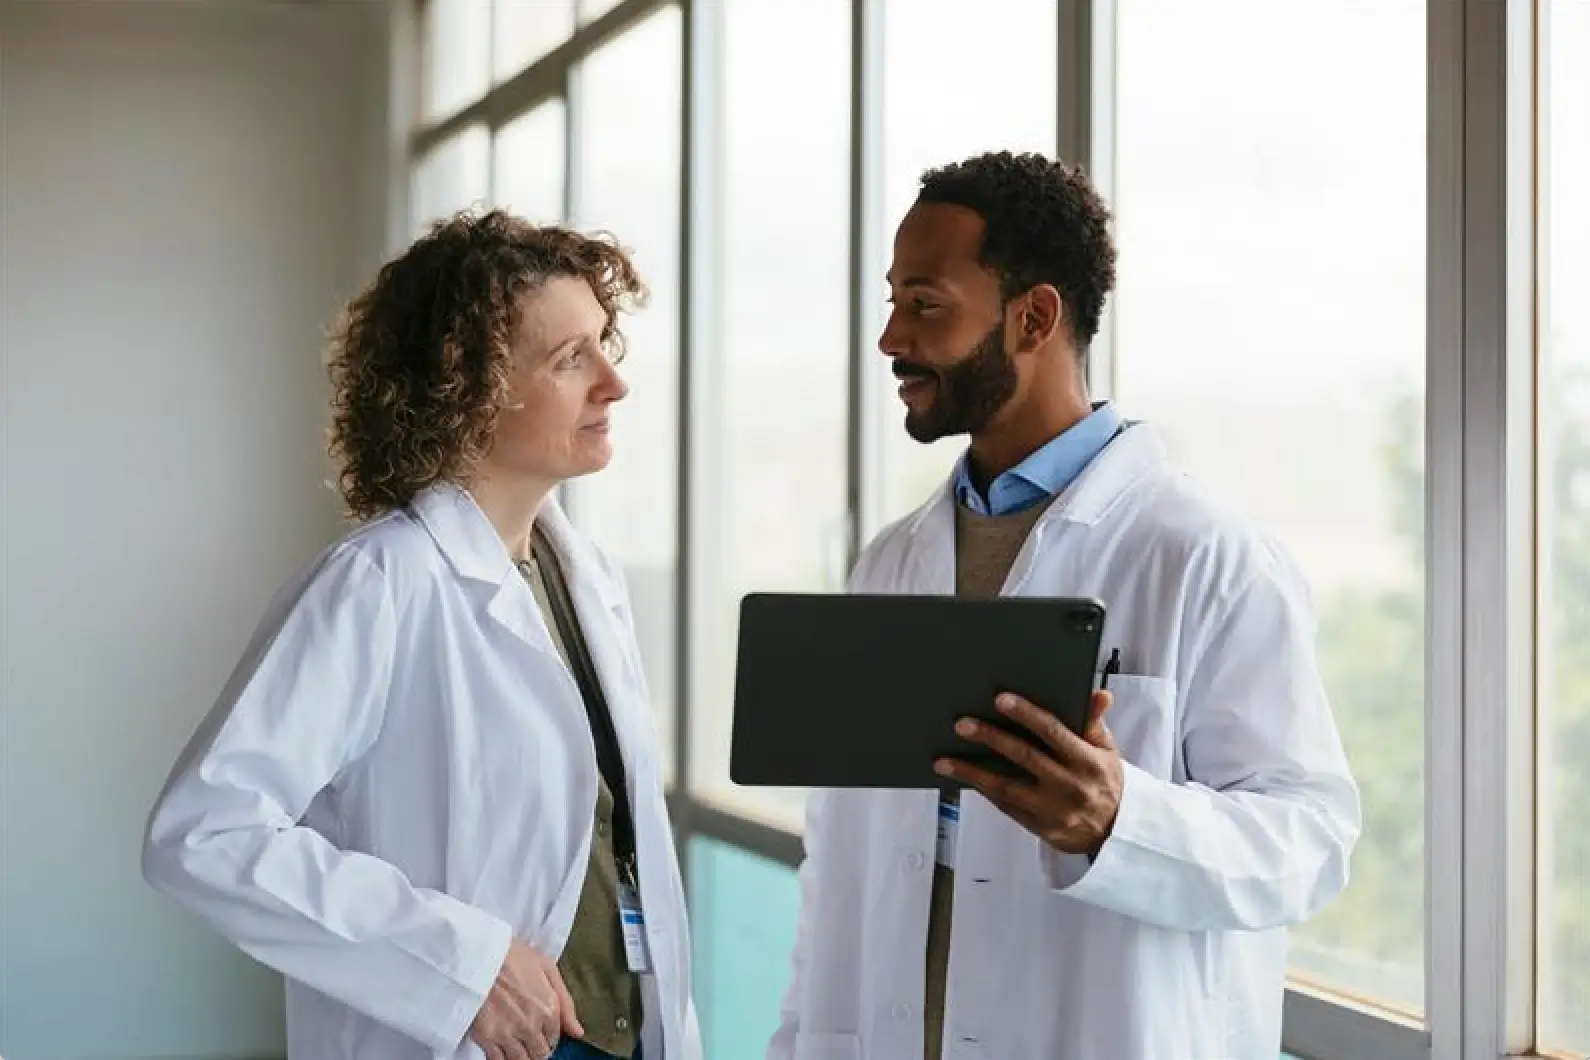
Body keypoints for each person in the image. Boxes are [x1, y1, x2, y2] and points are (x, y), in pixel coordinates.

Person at [767, 152, 1360, 1060]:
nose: (890, 337)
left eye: (924, 304)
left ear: (1033, 316)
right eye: (892, 301)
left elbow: (1312, 840)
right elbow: (836, 872)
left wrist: (1122, 818)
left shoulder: (1205, 556)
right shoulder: (891, 563)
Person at [143, 210, 700, 1060]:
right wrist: (459, 965)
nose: (612, 384)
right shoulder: (379, 584)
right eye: (569, 359)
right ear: (468, 388)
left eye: (602, 344)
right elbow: (206, 834)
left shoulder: (585, 580)